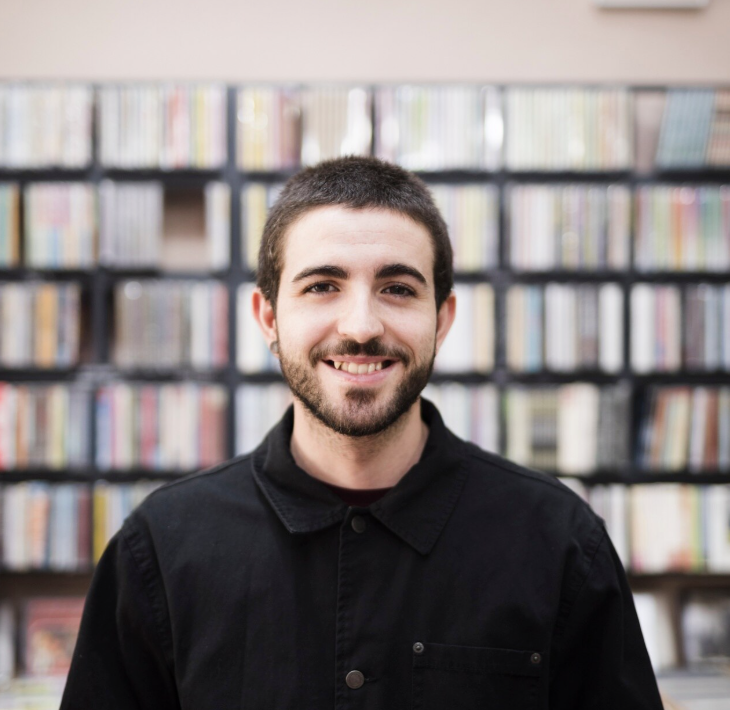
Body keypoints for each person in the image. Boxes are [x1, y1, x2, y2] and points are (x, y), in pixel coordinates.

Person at [60, 156, 663, 709]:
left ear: (442, 318)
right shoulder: (161, 549)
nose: (361, 325)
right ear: (268, 317)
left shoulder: (559, 542)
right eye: (322, 286)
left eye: (397, 288)